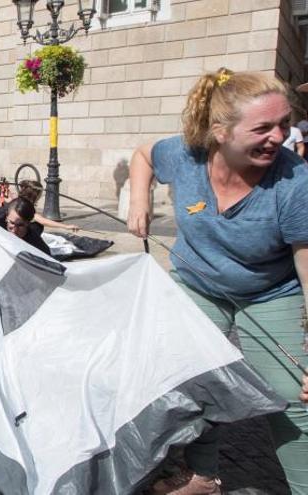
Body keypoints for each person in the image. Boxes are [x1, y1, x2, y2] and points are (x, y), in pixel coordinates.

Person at [128, 68, 308, 494]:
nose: (278, 136)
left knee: (295, 396)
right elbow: (144, 154)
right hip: (198, 283)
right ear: (220, 132)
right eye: (263, 127)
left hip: (269, 292)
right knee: (194, 377)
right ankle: (202, 477)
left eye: (284, 123)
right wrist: (140, 200)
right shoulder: (185, 154)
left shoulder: (295, 181)